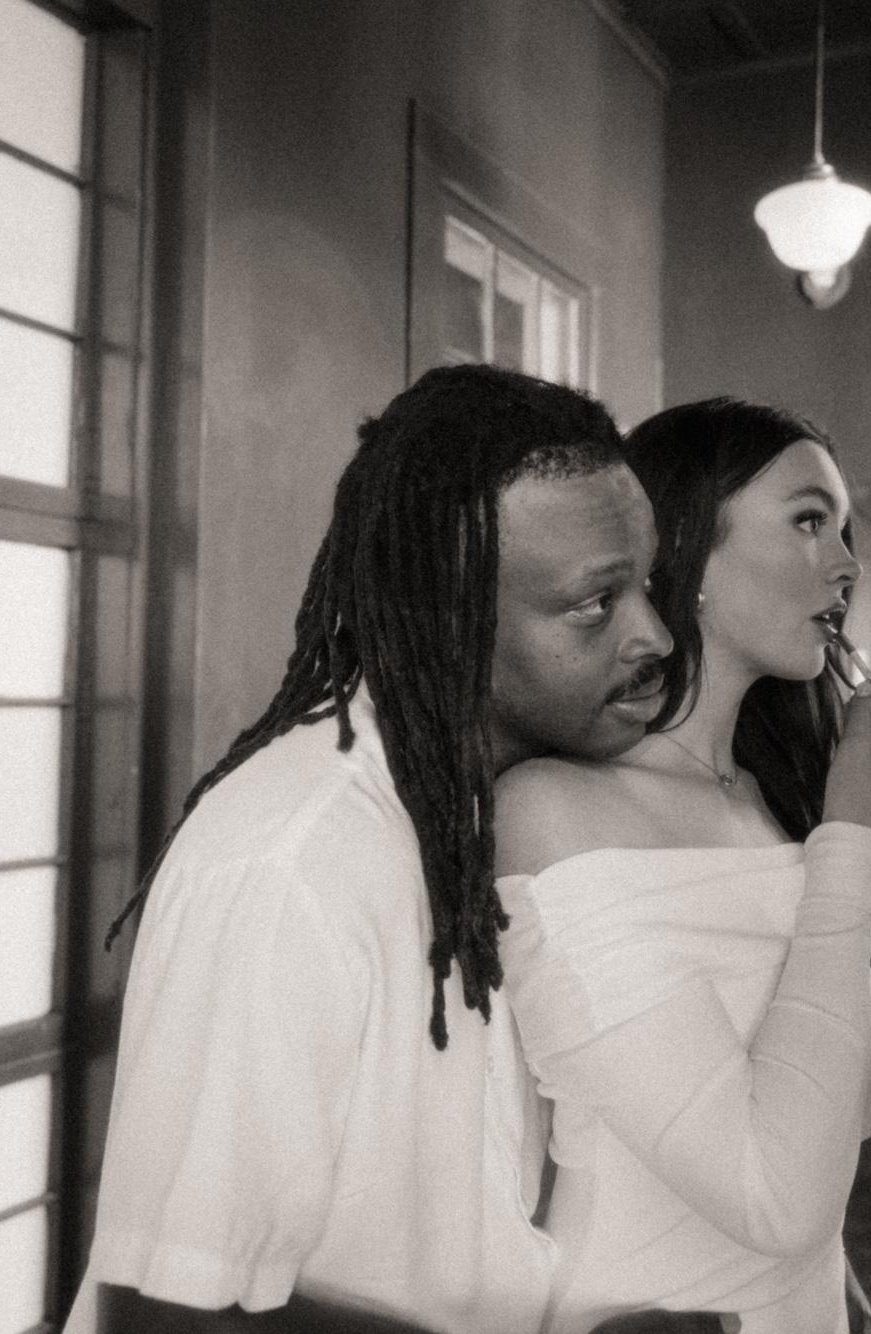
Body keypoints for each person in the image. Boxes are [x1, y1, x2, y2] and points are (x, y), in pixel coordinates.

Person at [64, 364, 678, 1334]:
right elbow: (164, 1313)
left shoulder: (495, 815)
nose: (655, 634)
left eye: (648, 582)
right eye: (595, 602)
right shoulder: (291, 862)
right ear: (451, 617)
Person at [492, 398, 871, 1334]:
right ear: (684, 549)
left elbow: (796, 1109)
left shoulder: (768, 802)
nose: (847, 563)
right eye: (810, 521)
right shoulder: (556, 814)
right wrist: (853, 841)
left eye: (843, 530)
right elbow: (775, 1197)